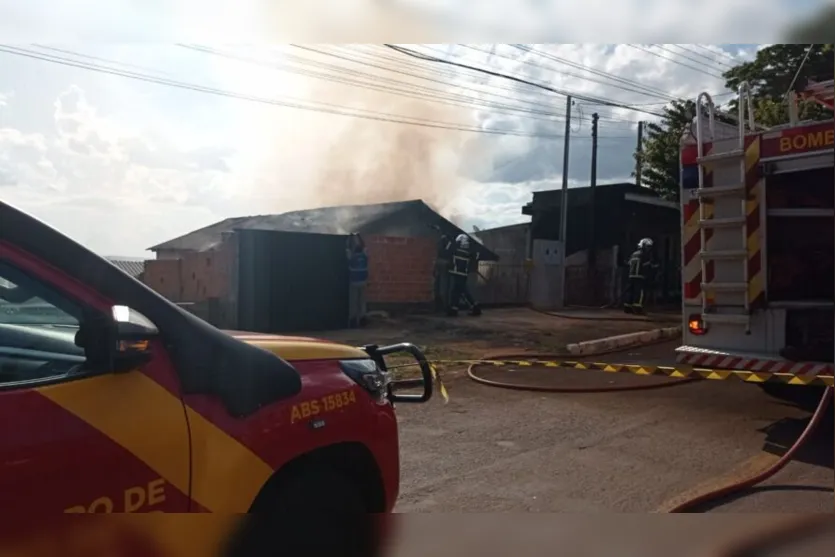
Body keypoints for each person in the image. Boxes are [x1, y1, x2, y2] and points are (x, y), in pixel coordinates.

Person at [447, 233, 482, 317]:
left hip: (458, 274)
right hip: (463, 274)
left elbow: (447, 250)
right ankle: (454, 309)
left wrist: (447, 238)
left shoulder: (457, 251)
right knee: (457, 292)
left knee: (461, 292)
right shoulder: (468, 252)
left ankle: (474, 307)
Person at [623, 237, 658, 315]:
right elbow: (646, 265)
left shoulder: (634, 254)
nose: (649, 249)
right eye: (648, 247)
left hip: (631, 275)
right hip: (640, 276)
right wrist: (653, 266)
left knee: (630, 292)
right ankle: (637, 308)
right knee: (639, 293)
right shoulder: (644, 255)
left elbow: (629, 264)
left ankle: (627, 307)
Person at [346, 233, 369, 328]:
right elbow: (364, 246)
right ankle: (362, 319)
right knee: (362, 302)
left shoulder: (352, 257)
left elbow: (347, 248)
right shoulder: (364, 256)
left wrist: (350, 237)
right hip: (363, 282)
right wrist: (359, 236)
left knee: (353, 303)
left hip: (354, 282)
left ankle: (353, 321)